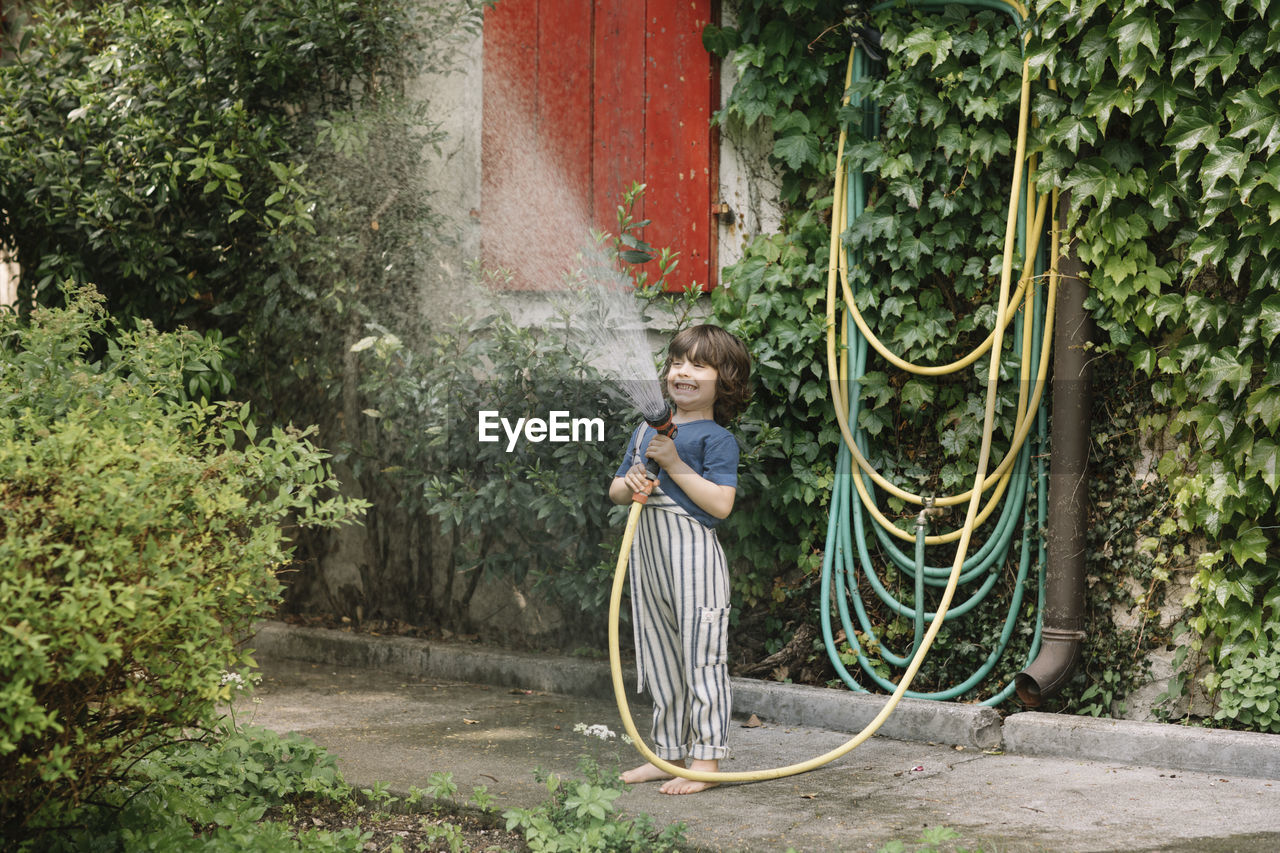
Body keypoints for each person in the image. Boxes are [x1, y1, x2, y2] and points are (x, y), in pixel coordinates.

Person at [607, 323, 752, 795]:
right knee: (660, 653)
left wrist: (672, 464)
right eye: (676, 362)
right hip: (649, 559)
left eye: (698, 364)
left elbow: (720, 504)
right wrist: (629, 483)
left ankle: (706, 760)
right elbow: (614, 490)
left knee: (701, 655)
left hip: (694, 561)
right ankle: (668, 755)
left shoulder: (716, 439)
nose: (682, 372)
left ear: (724, 379)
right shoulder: (645, 428)